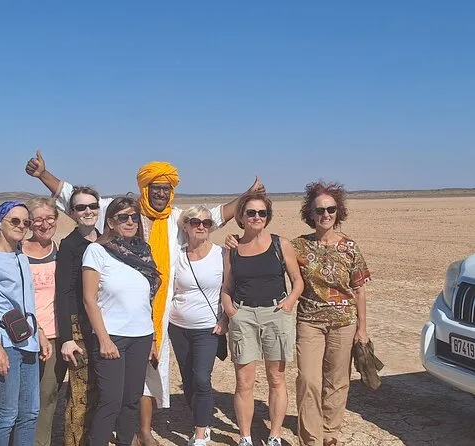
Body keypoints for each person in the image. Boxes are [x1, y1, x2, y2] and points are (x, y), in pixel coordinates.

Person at [26, 150, 264, 445]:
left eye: (166, 189)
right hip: (114, 318)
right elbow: (73, 198)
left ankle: (143, 430)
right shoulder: (121, 211)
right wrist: (43, 175)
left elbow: (216, 215)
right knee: (113, 390)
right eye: (156, 188)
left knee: (150, 375)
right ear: (145, 189)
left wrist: (247, 196)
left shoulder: (177, 219)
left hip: (158, 312)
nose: (161, 193)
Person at [220, 192, 304, 446]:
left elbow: (297, 280)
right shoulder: (232, 249)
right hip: (243, 315)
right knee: (244, 382)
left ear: (268, 217)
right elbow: (227, 285)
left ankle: (274, 435)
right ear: (241, 216)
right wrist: (231, 311)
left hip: (275, 315)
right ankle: (245, 437)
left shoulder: (281, 244)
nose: (257, 217)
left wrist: (288, 303)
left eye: (262, 213)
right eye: (251, 212)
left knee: (276, 379)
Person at [291, 181, 371, 446]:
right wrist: (237, 240)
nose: (326, 214)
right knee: (308, 379)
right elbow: (266, 251)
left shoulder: (350, 247)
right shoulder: (298, 246)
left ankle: (329, 433)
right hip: (309, 321)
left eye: (331, 209)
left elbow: (359, 290)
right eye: (319, 210)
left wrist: (362, 329)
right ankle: (310, 439)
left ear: (339, 212)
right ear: (310, 213)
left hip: (344, 323)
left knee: (337, 381)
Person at [81, 197, 160, 446]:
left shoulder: (143, 252)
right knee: (110, 401)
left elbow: (147, 300)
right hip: (112, 336)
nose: (130, 222)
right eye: (123, 217)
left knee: (131, 399)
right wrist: (104, 340)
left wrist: (152, 339)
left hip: (141, 336)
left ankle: (125, 441)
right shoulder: (97, 251)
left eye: (134, 217)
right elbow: (89, 300)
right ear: (111, 222)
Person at [0, 201, 53, 446]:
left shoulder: (20, 256)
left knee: (30, 413)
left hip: (29, 341)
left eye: (26, 222)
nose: (22, 226)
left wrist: (40, 333)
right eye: (15, 221)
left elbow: (28, 302)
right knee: (6, 414)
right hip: (6, 343)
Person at [168, 206, 225, 446]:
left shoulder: (221, 254)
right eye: (194, 222)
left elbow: (230, 289)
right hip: (177, 327)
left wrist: (225, 320)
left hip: (207, 328)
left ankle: (201, 434)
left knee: (202, 378)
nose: (201, 226)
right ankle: (200, 417)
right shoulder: (176, 255)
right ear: (185, 226)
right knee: (189, 378)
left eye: (206, 222)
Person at [54, 186, 102, 446]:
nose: (88, 211)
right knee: (80, 392)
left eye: (92, 206)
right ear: (72, 212)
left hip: (105, 326)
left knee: (102, 390)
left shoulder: (106, 241)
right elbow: (63, 293)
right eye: (81, 207)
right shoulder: (70, 246)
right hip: (78, 327)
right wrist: (67, 338)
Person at [20, 197, 66, 446]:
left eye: (50, 218)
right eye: (38, 219)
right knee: (22, 396)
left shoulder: (61, 251)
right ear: (29, 223)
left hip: (54, 335)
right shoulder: (17, 252)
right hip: (22, 336)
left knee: (47, 394)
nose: (45, 224)